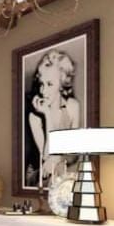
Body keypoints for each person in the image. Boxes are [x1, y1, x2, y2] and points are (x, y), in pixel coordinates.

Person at [25, 50, 80, 190]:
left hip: (62, 174)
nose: (43, 91)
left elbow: (74, 154)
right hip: (39, 177)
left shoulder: (73, 106)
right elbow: (46, 156)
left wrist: (58, 158)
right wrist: (48, 115)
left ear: (61, 84)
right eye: (41, 84)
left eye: (49, 84)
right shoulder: (34, 116)